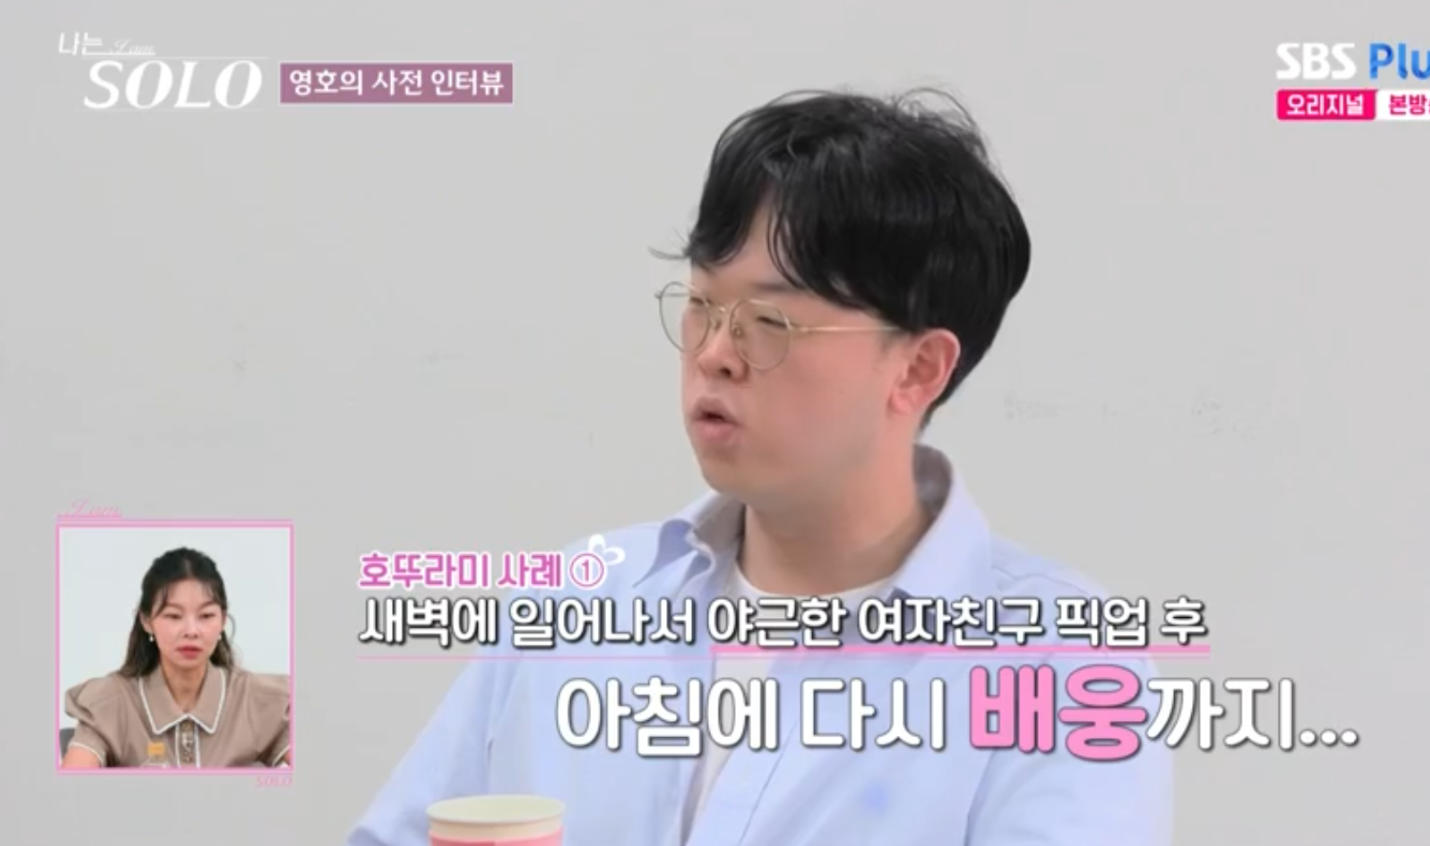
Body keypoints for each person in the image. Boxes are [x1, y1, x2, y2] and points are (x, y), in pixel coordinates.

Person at [348, 88, 1171, 845]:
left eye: (769, 322)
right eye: (702, 307)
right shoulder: (575, 605)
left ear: (918, 369)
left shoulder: (1062, 664)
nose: (715, 353)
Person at [61, 547, 291, 769]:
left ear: (222, 620)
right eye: (173, 616)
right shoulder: (109, 705)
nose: (191, 631)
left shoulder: (262, 701)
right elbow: (70, 789)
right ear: (147, 621)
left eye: (206, 615)